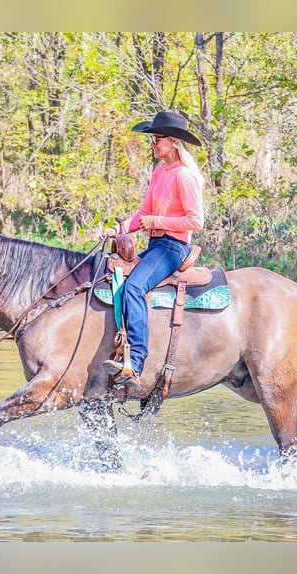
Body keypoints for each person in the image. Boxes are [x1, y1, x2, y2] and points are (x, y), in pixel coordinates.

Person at [103, 111, 206, 388]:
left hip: (174, 246)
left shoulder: (184, 176)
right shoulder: (159, 172)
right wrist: (120, 229)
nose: (152, 144)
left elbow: (196, 220)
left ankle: (135, 361)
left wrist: (157, 221)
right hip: (156, 244)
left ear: (172, 141)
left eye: (155, 139)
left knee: (135, 287)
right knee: (118, 279)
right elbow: (144, 213)